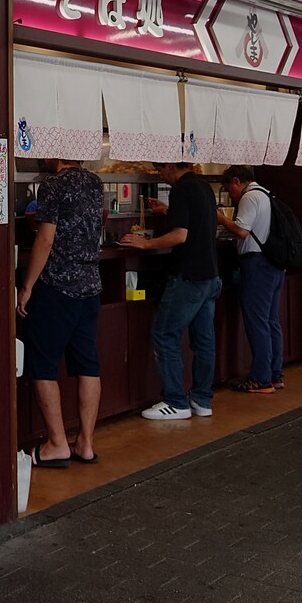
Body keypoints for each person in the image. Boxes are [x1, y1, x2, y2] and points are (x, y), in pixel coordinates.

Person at [16, 157, 106, 466]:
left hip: (57, 287)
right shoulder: (95, 182)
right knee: (87, 363)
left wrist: (27, 286)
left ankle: (57, 444)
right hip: (91, 287)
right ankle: (86, 444)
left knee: (43, 363)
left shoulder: (52, 185)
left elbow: (45, 238)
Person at [121, 163, 220, 420]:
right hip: (210, 275)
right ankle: (202, 400)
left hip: (188, 276)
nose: (160, 174)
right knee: (204, 341)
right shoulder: (203, 187)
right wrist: (168, 211)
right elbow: (195, 222)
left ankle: (176, 402)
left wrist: (145, 243)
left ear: (171, 166)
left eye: (161, 169)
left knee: (164, 334)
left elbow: (180, 236)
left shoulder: (181, 189)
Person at [217, 166, 284, 394]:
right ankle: (275, 374)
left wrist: (220, 218)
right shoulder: (266, 194)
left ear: (236, 181)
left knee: (257, 322)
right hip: (273, 263)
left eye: (229, 189)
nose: (230, 195)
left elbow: (241, 231)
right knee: (271, 320)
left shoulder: (250, 197)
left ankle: (261, 379)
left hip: (257, 264)